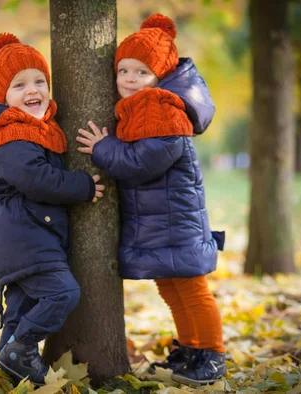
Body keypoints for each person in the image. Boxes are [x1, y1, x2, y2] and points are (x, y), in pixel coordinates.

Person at [76, 14, 226, 387]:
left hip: (177, 220)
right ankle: (191, 349)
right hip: (162, 220)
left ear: (160, 75)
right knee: (170, 287)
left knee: (192, 289)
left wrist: (103, 147)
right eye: (123, 69)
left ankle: (213, 355)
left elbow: (143, 163)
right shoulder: (140, 108)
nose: (129, 79)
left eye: (141, 72)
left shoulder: (163, 111)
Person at [0, 32, 104, 385]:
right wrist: (83, 187)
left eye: (40, 80)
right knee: (62, 292)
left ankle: (9, 363)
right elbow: (36, 178)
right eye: (19, 84)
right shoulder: (13, 133)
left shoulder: (37, 128)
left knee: (22, 306)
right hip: (27, 236)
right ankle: (21, 347)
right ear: (2, 98)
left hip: (26, 235)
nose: (33, 90)